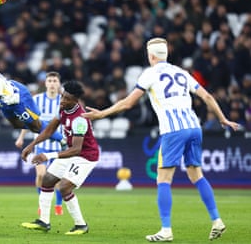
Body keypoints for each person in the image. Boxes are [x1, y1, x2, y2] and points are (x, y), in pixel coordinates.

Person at [83, 37, 241, 242]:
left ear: (151, 55)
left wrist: (102, 114)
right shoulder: (182, 73)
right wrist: (223, 119)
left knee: (163, 180)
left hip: (173, 130)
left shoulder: (150, 73)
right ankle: (217, 220)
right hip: (194, 127)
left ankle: (166, 230)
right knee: (197, 176)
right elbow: (208, 97)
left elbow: (128, 103)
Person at [20, 81, 99, 235]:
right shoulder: (62, 109)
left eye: (67, 98)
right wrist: (31, 145)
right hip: (71, 152)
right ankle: (44, 222)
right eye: (62, 96)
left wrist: (47, 155)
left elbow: (77, 149)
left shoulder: (80, 119)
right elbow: (49, 130)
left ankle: (81, 225)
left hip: (85, 157)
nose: (62, 100)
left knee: (64, 187)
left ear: (75, 100)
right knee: (47, 180)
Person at [15, 71, 63, 216]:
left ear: (59, 83)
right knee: (41, 175)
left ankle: (58, 205)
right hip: (41, 145)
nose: (52, 84)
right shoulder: (36, 100)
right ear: (45, 83)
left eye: (55, 81)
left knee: (57, 180)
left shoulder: (64, 101)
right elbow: (27, 120)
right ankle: (42, 204)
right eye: (50, 81)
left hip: (59, 146)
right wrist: (21, 137)